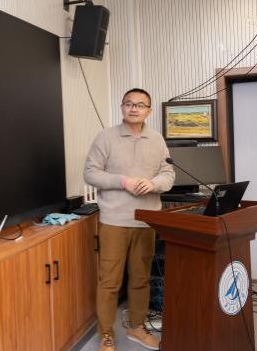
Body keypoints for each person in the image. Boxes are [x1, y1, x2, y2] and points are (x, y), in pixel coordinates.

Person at [84, 88, 175, 351]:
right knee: (109, 281)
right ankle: (106, 334)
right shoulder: (106, 137)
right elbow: (90, 173)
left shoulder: (156, 139)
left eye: (140, 105)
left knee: (140, 279)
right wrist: (123, 181)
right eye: (128, 103)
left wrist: (154, 183)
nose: (134, 108)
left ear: (149, 111)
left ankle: (136, 328)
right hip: (114, 220)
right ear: (122, 107)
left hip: (146, 220)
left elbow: (168, 174)